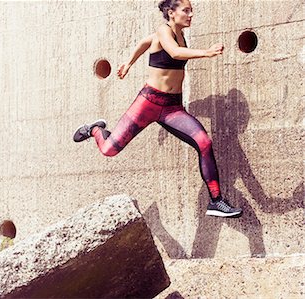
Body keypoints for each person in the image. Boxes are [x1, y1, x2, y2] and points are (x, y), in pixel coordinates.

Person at [73, 0, 242, 218]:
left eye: (192, 11)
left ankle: (216, 201)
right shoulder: (164, 30)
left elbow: (145, 42)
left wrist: (129, 62)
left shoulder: (177, 35)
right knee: (109, 150)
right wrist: (207, 53)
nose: (191, 15)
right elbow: (175, 53)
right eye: (186, 10)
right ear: (171, 13)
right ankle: (95, 129)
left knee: (204, 143)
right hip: (149, 103)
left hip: (172, 108)